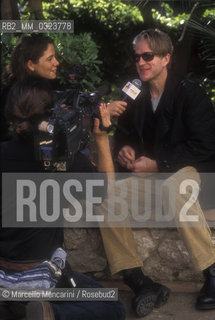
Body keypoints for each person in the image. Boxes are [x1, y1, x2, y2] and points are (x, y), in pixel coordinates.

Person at [0, 36, 125, 320]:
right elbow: (106, 192)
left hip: (4, 265)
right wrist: (102, 136)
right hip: (38, 270)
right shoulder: (63, 162)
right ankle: (50, 313)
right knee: (113, 308)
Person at [106, 28, 215, 315]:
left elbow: (206, 146)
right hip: (153, 181)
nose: (140, 62)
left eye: (148, 56)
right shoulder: (135, 92)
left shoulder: (190, 94)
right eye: (137, 56)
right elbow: (126, 132)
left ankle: (213, 273)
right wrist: (124, 150)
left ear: (166, 58)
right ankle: (139, 281)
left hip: (189, 174)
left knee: (174, 187)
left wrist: (158, 164)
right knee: (110, 199)